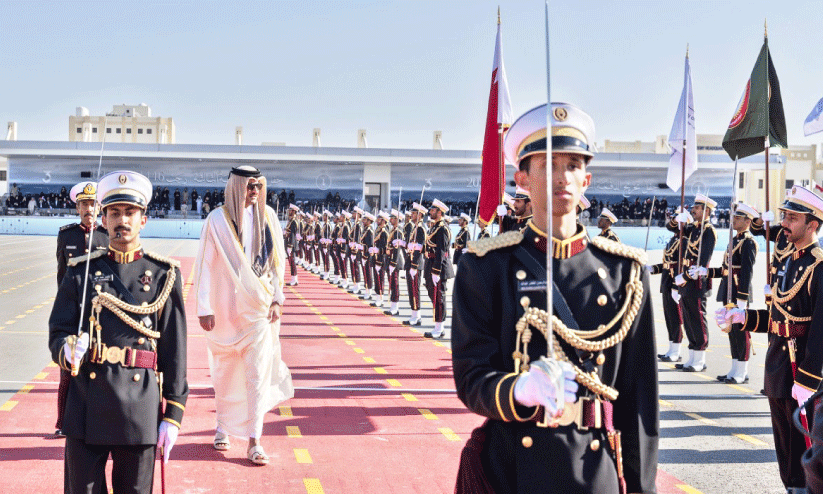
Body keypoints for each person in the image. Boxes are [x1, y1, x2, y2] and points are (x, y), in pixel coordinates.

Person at [452, 102, 658, 493]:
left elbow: (639, 400)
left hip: (594, 467)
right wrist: (518, 390)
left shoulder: (625, 273)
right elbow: (471, 376)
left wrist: (641, 488)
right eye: (547, 164)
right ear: (523, 179)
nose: (562, 176)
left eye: (573, 165)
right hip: (513, 467)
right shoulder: (486, 266)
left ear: (587, 179)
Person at [49, 170, 187, 493]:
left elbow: (174, 352)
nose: (121, 220)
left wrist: (174, 415)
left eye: (129, 212)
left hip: (138, 410)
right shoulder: (80, 271)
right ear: (104, 219)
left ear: (144, 220)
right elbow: (58, 329)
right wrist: (66, 350)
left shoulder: (164, 276)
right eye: (114, 212)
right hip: (86, 404)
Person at [717, 185, 823, 493]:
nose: (785, 223)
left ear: (812, 224)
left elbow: (819, 330)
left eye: (792, 217)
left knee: (804, 450)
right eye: (785, 216)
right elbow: (778, 318)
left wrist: (808, 379)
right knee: (785, 450)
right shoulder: (788, 261)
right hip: (778, 364)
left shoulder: (819, 266)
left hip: (799, 368)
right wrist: (743, 318)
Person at [194, 165, 293, 466]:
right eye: (249, 187)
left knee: (256, 375)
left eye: (257, 187)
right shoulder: (217, 220)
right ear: (236, 187)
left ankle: (254, 440)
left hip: (259, 309)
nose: (254, 192)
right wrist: (204, 307)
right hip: (224, 310)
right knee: (225, 373)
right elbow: (205, 264)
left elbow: (278, 261)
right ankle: (222, 425)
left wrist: (278, 299)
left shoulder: (270, 217)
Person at [54, 182, 110, 438]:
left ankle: (100, 420)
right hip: (74, 312)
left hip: (100, 313)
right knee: (68, 368)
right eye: (84, 204)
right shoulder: (66, 235)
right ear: (77, 207)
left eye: (93, 204)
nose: (89, 209)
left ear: (100, 208)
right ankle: (63, 422)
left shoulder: (107, 236)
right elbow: (62, 274)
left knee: (100, 366)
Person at [696, 202, 757, 384]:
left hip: (739, 292)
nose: (734, 221)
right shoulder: (735, 240)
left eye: (738, 218)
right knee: (731, 331)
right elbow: (725, 269)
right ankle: (734, 368)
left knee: (741, 330)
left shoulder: (748, 243)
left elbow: (747, 272)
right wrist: (708, 272)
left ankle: (742, 371)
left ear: (747, 222)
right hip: (728, 290)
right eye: (734, 217)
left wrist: (743, 300)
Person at [669, 194, 717, 372]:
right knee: (688, 319)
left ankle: (700, 359)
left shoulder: (708, 230)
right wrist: (677, 221)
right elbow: (672, 229)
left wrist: (686, 277)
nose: (693, 210)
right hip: (687, 279)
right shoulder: (695, 229)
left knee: (697, 319)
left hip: (697, 282)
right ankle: (692, 357)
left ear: (706, 211)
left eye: (696, 208)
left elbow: (703, 262)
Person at [648, 227, 685, 362]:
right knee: (669, 317)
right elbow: (666, 264)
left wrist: (676, 286)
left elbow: (681, 266)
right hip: (666, 281)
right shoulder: (674, 239)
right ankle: (671, 348)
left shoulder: (684, 241)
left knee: (675, 318)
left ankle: (676, 350)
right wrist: (652, 269)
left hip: (674, 283)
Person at [423, 199, 454, 339]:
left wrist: (436, 271)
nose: (430, 212)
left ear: (440, 213)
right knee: (433, 294)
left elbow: (441, 251)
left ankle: (439, 328)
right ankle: (438, 325)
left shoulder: (442, 228)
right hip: (431, 263)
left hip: (438, 266)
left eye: (433, 210)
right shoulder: (435, 227)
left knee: (439, 296)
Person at [403, 203, 427, 326]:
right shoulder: (415, 228)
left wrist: (414, 265)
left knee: (414, 289)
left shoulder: (421, 229)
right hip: (410, 261)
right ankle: (414, 314)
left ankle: (417, 316)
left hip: (415, 264)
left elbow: (421, 247)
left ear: (420, 215)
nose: (411, 215)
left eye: (414, 213)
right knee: (410, 289)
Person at [384, 209, 405, 316]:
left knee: (394, 283)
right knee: (392, 283)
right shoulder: (393, 230)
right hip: (390, 258)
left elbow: (397, 249)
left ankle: (395, 307)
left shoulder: (398, 231)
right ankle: (393, 305)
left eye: (392, 218)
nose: (390, 220)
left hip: (395, 260)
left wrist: (393, 263)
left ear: (397, 219)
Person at [284, 204, 300, 285]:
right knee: (291, 262)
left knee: (292, 261)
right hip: (289, 243)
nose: (289, 211)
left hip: (292, 245)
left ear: (294, 211)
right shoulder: (290, 221)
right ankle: (294, 278)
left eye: (290, 210)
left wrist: (290, 246)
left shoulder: (294, 222)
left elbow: (293, 235)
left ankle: (294, 279)